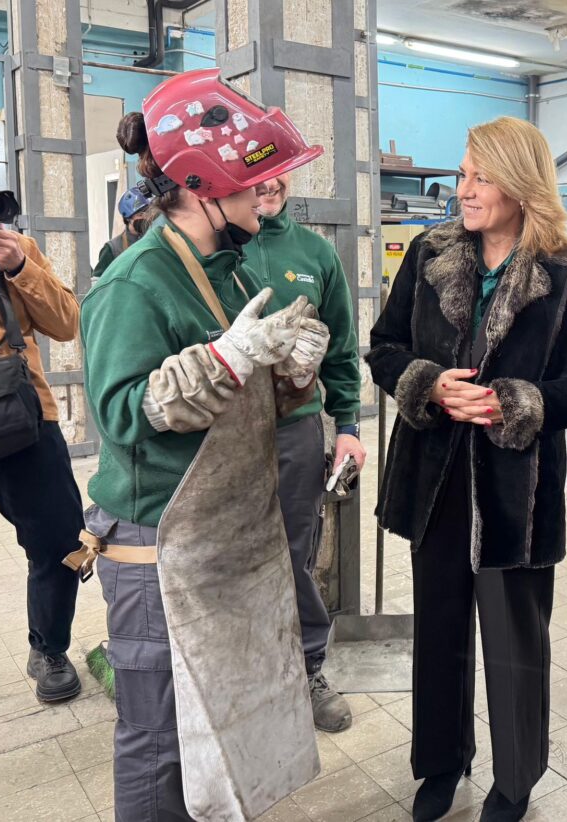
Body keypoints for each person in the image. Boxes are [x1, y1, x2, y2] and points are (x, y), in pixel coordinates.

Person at [80, 68, 326, 819]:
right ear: (201, 183)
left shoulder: (230, 269)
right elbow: (120, 412)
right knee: (160, 737)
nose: (267, 192)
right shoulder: (135, 283)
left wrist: (288, 374)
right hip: (158, 540)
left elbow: (242, 402)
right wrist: (222, 361)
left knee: (217, 726)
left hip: (217, 531)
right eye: (253, 181)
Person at [366, 116, 567, 822]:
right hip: (433, 477)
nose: (463, 190)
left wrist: (514, 404)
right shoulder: (429, 252)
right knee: (438, 633)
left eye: (481, 177)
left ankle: (516, 778)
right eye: (462, 175)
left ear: (521, 184)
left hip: (513, 490)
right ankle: (441, 763)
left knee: (515, 640)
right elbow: (385, 346)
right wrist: (429, 384)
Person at [0, 164, 85, 704]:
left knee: (60, 537)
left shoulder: (16, 246)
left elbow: (65, 324)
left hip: (22, 411)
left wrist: (17, 265)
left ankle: (50, 648)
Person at [246, 174, 365, 732]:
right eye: (254, 171)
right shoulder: (212, 248)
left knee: (296, 553)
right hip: (223, 437)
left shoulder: (315, 253)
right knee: (231, 557)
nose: (268, 183)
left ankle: (308, 667)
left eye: (277, 170)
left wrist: (348, 425)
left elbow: (341, 348)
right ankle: (243, 678)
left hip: (295, 429)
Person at [91, 185, 152, 280]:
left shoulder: (154, 240)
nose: (146, 217)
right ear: (128, 218)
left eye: (148, 213)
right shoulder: (112, 249)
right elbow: (98, 282)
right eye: (140, 214)